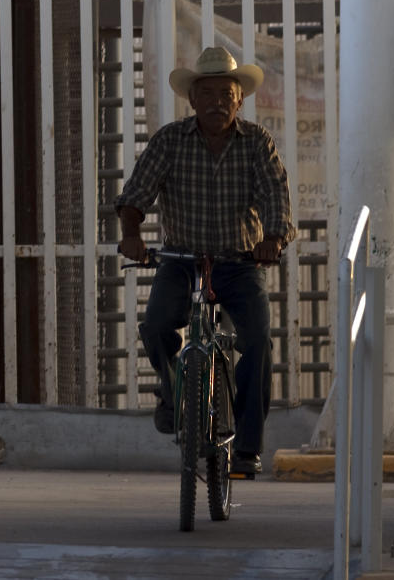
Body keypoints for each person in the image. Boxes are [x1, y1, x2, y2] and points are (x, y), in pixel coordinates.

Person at [116, 46, 295, 476]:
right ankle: (174, 388)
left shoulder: (257, 142)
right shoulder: (170, 140)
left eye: (226, 93)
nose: (217, 101)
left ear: (240, 99)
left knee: (256, 343)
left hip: (239, 263)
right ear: (192, 99)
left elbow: (275, 196)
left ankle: (248, 450)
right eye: (208, 93)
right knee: (157, 325)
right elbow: (136, 194)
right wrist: (131, 235)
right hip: (180, 261)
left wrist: (272, 238)